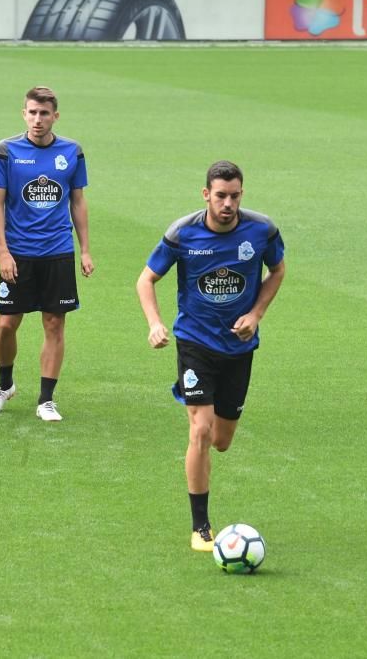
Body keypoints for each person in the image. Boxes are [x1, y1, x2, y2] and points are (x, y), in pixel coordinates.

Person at [136, 160, 286, 552]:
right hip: (195, 344)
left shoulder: (262, 230)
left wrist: (255, 314)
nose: (228, 204)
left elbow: (279, 271)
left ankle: (210, 433)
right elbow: (146, 279)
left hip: (239, 348)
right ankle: (200, 526)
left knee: (221, 440)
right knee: (199, 431)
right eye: (220, 195)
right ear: (206, 194)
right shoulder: (182, 233)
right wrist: (154, 323)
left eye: (235, 196)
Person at [0, 86, 94, 422]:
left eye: (44, 113)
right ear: (23, 113)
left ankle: (46, 399)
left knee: (54, 323)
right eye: (32, 112)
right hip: (19, 253)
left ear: (55, 116)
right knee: (6, 325)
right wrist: (2, 251)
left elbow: (78, 201)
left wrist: (85, 249)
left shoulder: (72, 151)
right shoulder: (6, 150)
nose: (37, 119)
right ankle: (4, 385)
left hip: (58, 251)